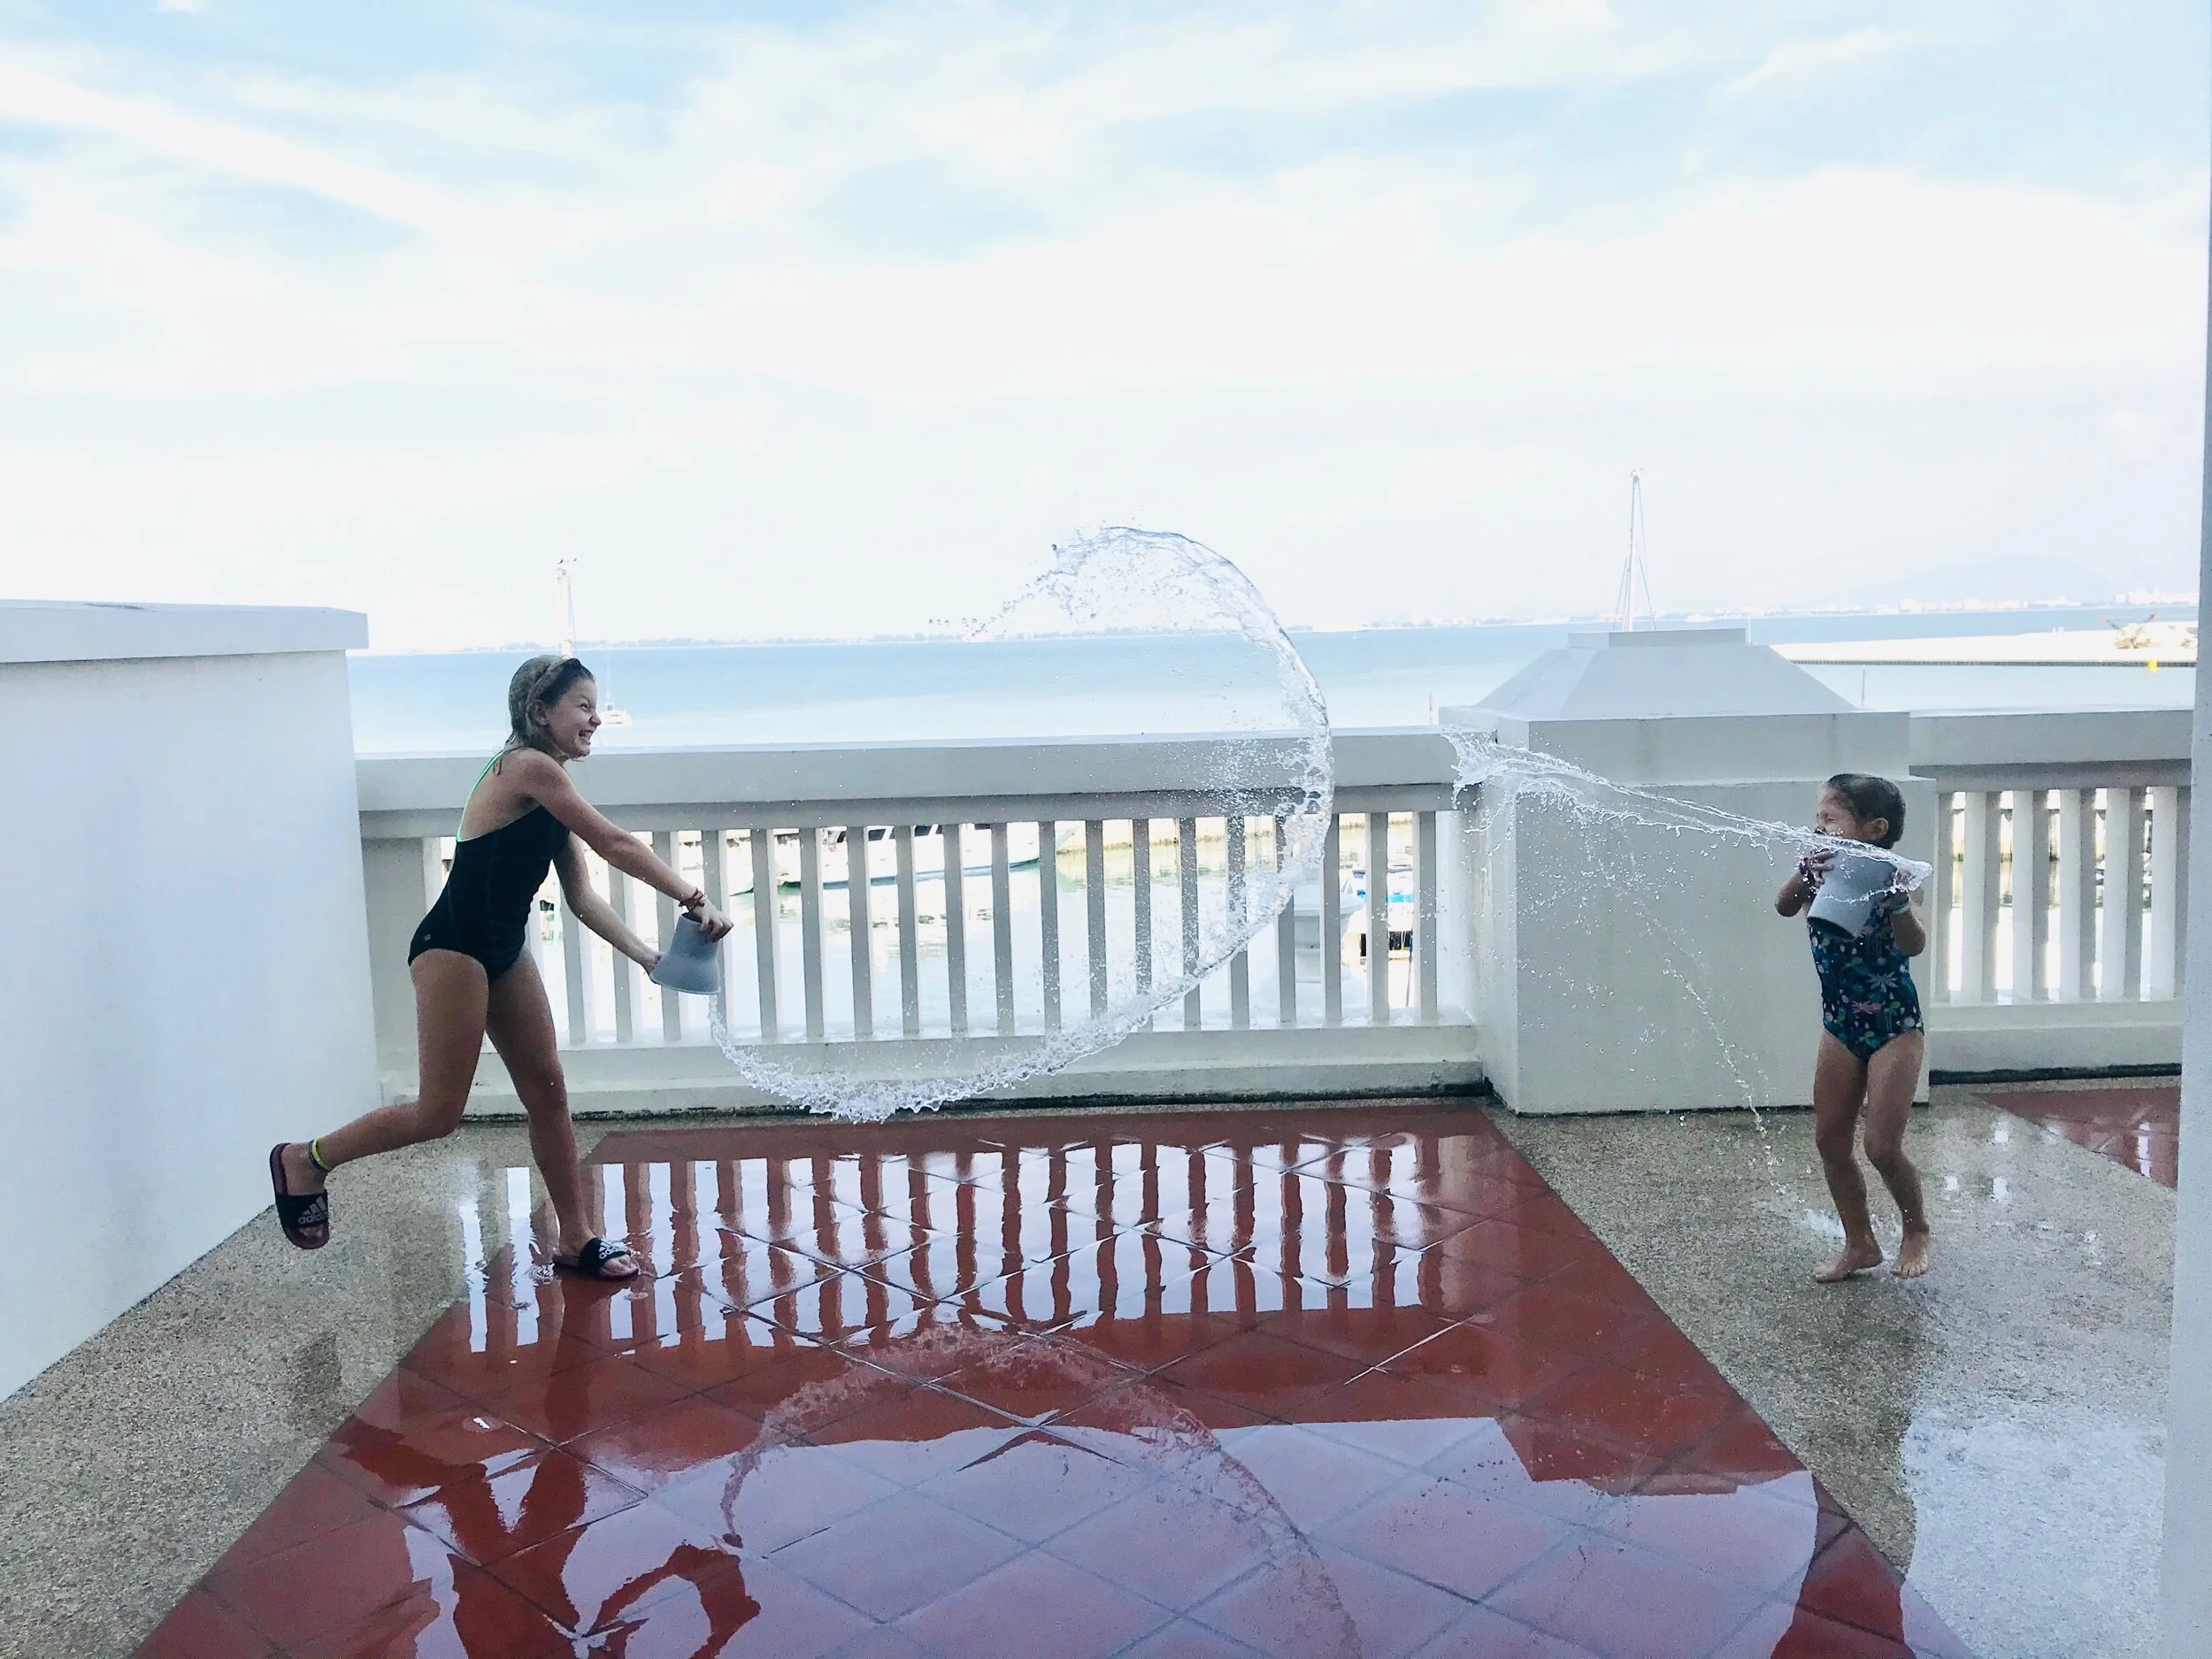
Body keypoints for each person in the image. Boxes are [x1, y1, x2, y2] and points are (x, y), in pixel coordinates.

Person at [268, 655, 732, 1278]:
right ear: (541, 711)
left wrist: (650, 956)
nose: (595, 718)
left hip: (504, 950)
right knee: (439, 1113)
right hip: (452, 946)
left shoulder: (551, 795)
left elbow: (584, 900)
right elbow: (616, 842)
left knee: (547, 1089)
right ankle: (307, 1158)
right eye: (583, 705)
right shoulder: (527, 768)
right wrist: (691, 897)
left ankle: (577, 1237)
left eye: (597, 706)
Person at [1774, 773, 1932, 1282]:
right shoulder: (1819, 869)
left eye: (1829, 819)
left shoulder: (1896, 876)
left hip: (1894, 1025)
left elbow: (1913, 946)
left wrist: (1898, 905)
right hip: (1839, 1024)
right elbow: (1783, 906)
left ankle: (1916, 1229)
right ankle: (1859, 1243)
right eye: (1817, 817)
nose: (1818, 827)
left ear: (1873, 828)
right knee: (1830, 1140)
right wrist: (1803, 874)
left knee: (1882, 1146)